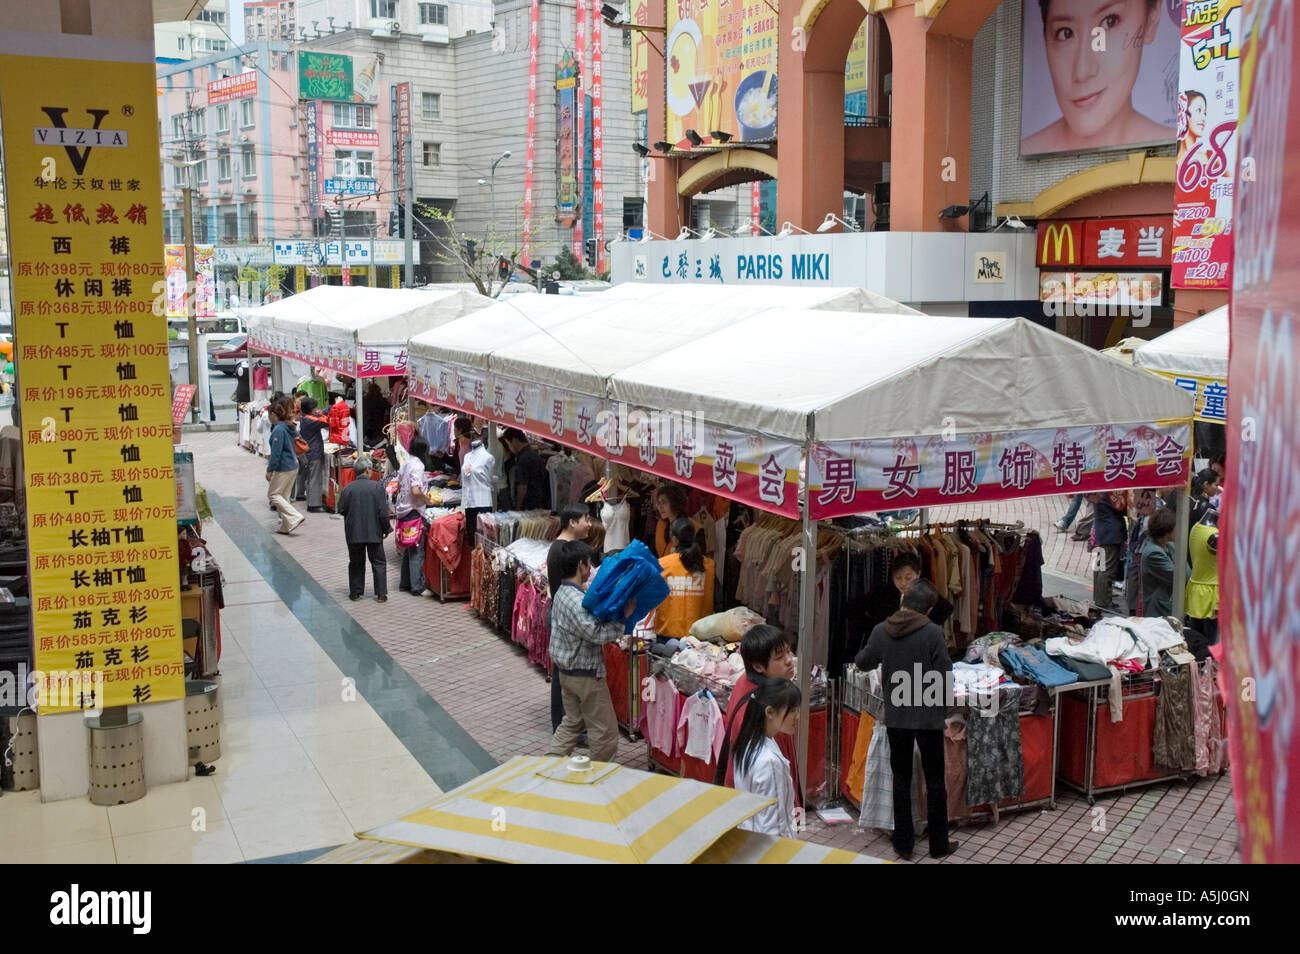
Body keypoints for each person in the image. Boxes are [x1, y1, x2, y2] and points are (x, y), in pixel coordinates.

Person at [854, 580, 956, 860]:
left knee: (901, 779)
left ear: (903, 600)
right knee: (935, 781)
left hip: (896, 716)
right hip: (927, 717)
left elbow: (863, 662)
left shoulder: (881, 630)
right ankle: (939, 845)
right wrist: (942, 709)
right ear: (930, 608)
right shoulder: (933, 633)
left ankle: (904, 844)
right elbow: (944, 674)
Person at [1021, 0, 1171, 155]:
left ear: (1151, 19)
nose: (1082, 71)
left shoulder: (1184, 154)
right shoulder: (1011, 160)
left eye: (1109, 22)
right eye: (1065, 33)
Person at [547, 541, 636, 762]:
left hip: (567, 673)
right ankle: (594, 776)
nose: (591, 569)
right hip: (585, 674)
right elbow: (596, 634)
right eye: (589, 564)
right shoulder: (576, 601)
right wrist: (623, 618)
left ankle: (549, 765)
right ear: (581, 566)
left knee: (572, 722)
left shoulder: (562, 593)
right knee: (605, 734)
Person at [721, 625, 800, 803]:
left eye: (789, 652)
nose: (789, 661)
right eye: (780, 658)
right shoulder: (768, 712)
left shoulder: (744, 682)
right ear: (758, 666)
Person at [732, 679, 802, 838]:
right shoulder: (769, 763)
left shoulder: (746, 743)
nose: (797, 717)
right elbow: (773, 826)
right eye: (792, 711)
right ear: (770, 712)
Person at [547, 504, 595, 731]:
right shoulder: (562, 551)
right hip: (564, 617)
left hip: (562, 615)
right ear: (572, 522)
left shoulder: (562, 547)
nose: (590, 523)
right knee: (562, 675)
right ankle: (563, 724)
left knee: (563, 673)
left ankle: (567, 723)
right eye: (586, 518)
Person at [337, 454, 390, 602]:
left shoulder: (347, 489)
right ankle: (380, 594)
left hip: (354, 532)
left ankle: (355, 592)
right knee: (378, 561)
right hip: (374, 531)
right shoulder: (377, 488)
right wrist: (386, 529)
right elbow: (383, 513)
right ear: (367, 470)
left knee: (355, 562)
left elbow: (342, 509)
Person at [651, 517, 715, 639]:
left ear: (674, 540)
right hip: (699, 635)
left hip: (667, 634)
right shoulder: (708, 565)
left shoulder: (661, 565)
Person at [395, 436, 431, 597]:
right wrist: (427, 499)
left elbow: (398, 485)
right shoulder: (418, 466)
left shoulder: (406, 463)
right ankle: (417, 585)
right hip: (413, 511)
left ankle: (405, 583)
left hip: (403, 509)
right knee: (416, 548)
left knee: (408, 546)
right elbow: (416, 490)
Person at [266, 400, 305, 535]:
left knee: (273, 494)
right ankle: (286, 525)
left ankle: (294, 516)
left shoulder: (278, 430)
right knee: (284, 495)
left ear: (273, 414)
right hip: (293, 465)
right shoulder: (287, 427)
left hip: (285, 466)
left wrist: (270, 470)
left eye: (268, 414)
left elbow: (276, 453)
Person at [1185, 508, 1219, 658]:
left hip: (1195, 588)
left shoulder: (1195, 528)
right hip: (1210, 594)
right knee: (1209, 641)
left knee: (1194, 636)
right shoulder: (1214, 536)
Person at [888, 553, 954, 626]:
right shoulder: (882, 596)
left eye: (908, 578)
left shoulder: (927, 593)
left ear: (918, 574)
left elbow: (946, 608)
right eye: (898, 578)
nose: (903, 583)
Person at [1089, 491, 1128, 609]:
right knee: (1107, 569)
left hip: (1100, 530)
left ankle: (1099, 597)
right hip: (1111, 533)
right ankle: (1103, 600)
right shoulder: (1110, 490)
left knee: (1100, 567)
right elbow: (1121, 508)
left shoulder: (1099, 487)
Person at [1139, 508, 1179, 618]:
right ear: (1167, 532)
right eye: (1175, 528)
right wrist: (1181, 553)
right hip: (1157, 610)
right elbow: (1182, 576)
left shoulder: (1168, 546)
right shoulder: (1154, 553)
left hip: (1165, 606)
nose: (1178, 531)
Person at [503, 428, 550, 511]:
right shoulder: (534, 454)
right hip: (539, 501)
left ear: (514, 440)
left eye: (508, 444)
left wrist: (518, 507)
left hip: (528, 505)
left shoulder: (523, 460)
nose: (509, 448)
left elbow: (523, 486)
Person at [297, 397, 329, 513]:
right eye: (314, 408)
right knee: (315, 478)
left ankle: (311, 501)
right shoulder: (310, 421)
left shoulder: (305, 418)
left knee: (311, 478)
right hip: (313, 452)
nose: (316, 410)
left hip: (309, 451)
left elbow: (321, 414)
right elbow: (325, 420)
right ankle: (314, 505)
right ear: (310, 409)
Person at [653, 484, 691, 557]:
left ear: (675, 503)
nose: (660, 507)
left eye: (664, 503)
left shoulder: (691, 526)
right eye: (659, 503)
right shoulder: (661, 524)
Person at [1176, 89, 1209, 168]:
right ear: (1183, 114)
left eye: (1205, 113)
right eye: (1199, 110)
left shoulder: (1211, 158)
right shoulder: (1173, 161)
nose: (1203, 118)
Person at [362, 381, 390, 446]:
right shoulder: (381, 400)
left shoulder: (364, 399)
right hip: (378, 427)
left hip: (366, 427)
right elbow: (390, 408)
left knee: (367, 444)